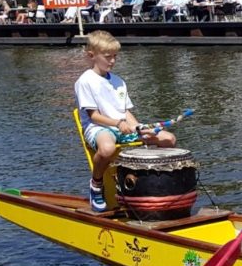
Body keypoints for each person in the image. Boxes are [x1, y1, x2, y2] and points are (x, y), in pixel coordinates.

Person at [74, 30, 176, 212]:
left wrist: (138, 128)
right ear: (92, 56)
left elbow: (126, 112)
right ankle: (96, 185)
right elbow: (94, 116)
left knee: (168, 139)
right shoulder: (85, 81)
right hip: (98, 128)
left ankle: (156, 181)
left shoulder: (119, 81)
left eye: (115, 56)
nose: (112, 61)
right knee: (107, 148)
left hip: (121, 127)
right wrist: (118, 124)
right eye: (107, 57)